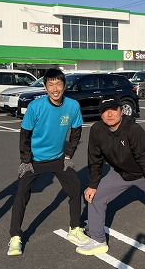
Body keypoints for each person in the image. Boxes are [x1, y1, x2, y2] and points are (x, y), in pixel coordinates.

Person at [76, 96, 145, 269]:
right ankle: (98, 240)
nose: (109, 114)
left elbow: (144, 158)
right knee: (95, 196)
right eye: (105, 111)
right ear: (100, 114)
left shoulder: (133, 129)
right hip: (121, 173)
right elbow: (95, 160)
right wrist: (93, 184)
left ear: (121, 111)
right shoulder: (97, 130)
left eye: (113, 109)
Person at [7, 68, 88, 256]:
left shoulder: (72, 106)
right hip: (34, 160)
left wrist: (68, 156)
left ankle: (75, 228)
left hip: (58, 158)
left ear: (64, 86)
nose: (55, 88)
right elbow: (25, 135)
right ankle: (15, 237)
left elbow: (76, 131)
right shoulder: (36, 107)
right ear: (45, 87)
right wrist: (26, 160)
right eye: (50, 84)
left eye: (58, 84)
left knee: (75, 186)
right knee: (22, 194)